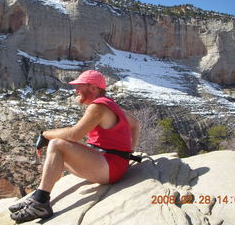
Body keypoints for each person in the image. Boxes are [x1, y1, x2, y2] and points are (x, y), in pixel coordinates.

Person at [9, 70, 140, 223]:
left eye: (79, 86)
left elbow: (73, 134)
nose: (75, 90)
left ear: (93, 88)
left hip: (110, 168)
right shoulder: (110, 105)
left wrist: (45, 134)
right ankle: (38, 195)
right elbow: (136, 124)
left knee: (57, 145)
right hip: (111, 164)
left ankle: (40, 203)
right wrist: (129, 153)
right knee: (56, 158)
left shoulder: (99, 106)